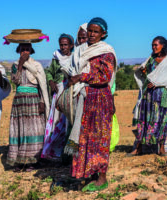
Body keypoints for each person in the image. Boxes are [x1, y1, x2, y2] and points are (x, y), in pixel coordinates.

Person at [66, 17, 117, 192]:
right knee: (86, 138)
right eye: (90, 31)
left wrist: (82, 77)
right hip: (87, 98)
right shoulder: (82, 50)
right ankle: (91, 174)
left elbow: (105, 77)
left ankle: (102, 178)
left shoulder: (106, 52)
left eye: (96, 32)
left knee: (100, 138)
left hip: (101, 98)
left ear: (103, 34)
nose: (92, 34)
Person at [129, 36, 167, 156]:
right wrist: (143, 72)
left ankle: (161, 148)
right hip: (149, 96)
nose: (153, 47)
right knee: (144, 120)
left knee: (162, 121)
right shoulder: (151, 58)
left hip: (163, 96)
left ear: (163, 45)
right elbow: (145, 72)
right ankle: (139, 147)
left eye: (156, 45)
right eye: (152, 45)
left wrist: (158, 82)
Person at [7, 43, 49, 172]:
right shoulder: (15, 65)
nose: (24, 51)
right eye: (22, 49)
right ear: (18, 50)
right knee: (20, 129)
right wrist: (20, 64)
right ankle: (19, 161)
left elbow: (42, 85)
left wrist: (42, 101)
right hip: (20, 101)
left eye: (27, 49)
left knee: (34, 130)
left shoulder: (36, 65)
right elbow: (15, 80)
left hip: (34, 100)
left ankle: (33, 161)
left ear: (31, 51)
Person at [42, 34, 74, 162]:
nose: (63, 47)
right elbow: (49, 72)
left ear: (71, 45)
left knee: (67, 122)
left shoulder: (75, 57)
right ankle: (52, 151)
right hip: (58, 91)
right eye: (61, 45)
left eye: (66, 45)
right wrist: (50, 81)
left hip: (70, 92)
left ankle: (67, 153)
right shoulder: (56, 58)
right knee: (56, 120)